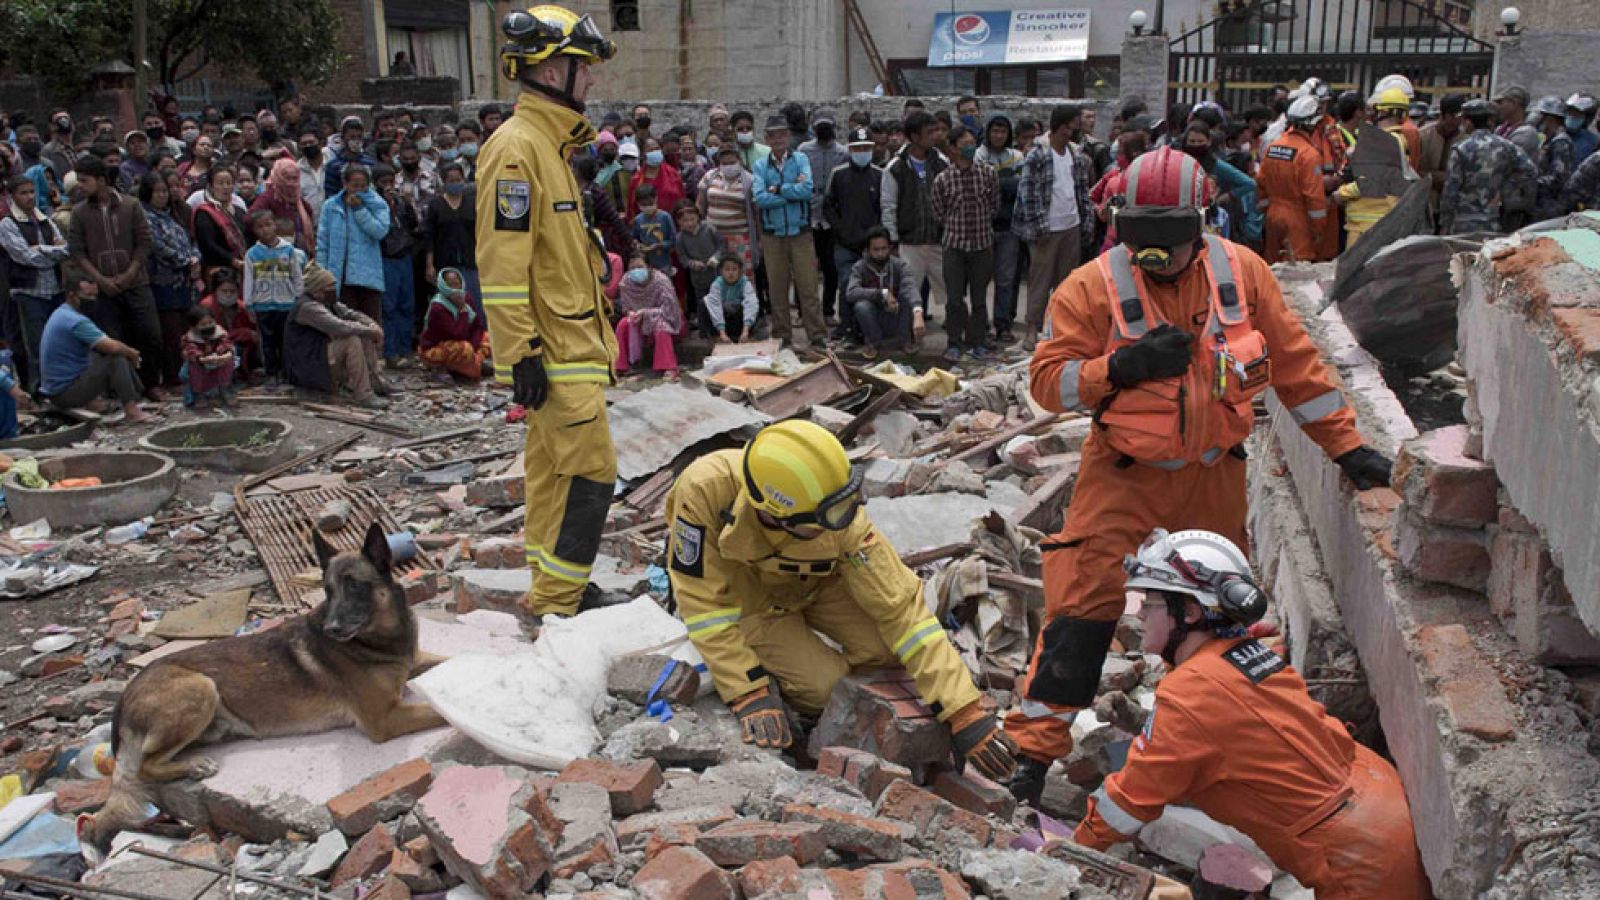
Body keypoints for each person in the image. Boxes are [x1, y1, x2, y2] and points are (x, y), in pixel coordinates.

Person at [1004, 146, 1394, 807]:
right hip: (1123, 472)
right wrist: (1118, 368)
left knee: (1215, 617)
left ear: (1201, 225)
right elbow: (1048, 383)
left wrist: (1349, 449)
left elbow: (1299, 370)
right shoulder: (1091, 287)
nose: (1155, 260)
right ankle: (1033, 755)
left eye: (1168, 245)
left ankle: (1202, 746)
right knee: (1081, 607)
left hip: (1213, 473)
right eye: (1141, 244)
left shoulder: (1243, 275)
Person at [1075, 530, 1431, 898]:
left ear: (1191, 612)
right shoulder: (1242, 654)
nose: (1140, 612)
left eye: (1150, 602)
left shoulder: (1190, 692)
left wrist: (1070, 854)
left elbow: (1127, 803)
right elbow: (1222, 736)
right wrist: (1142, 723)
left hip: (1355, 857)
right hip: (1377, 807)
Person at [665, 420, 1018, 782]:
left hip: (817, 585)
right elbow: (703, 605)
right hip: (753, 606)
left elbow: (902, 609)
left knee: (889, 648)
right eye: (829, 518)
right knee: (827, 689)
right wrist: (746, 690)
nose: (846, 520)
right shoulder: (705, 491)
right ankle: (777, 674)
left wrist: (963, 710)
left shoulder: (833, 502)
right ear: (774, 512)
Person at [476, 4, 623, 622]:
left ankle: (550, 588)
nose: (589, 80)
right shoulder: (517, 150)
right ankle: (562, 605)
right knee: (591, 476)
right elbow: (502, 267)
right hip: (554, 355)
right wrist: (520, 357)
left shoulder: (550, 147)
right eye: (581, 68)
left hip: (570, 347)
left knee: (550, 478)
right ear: (550, 70)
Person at [66, 156, 165, 398]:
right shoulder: (79, 212)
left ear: (101, 180)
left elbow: (144, 243)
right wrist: (100, 280)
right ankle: (125, 391)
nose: (81, 185)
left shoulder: (130, 205)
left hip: (136, 282)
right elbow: (77, 252)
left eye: (84, 180)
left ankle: (151, 383)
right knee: (112, 339)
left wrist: (130, 273)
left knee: (149, 333)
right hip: (102, 288)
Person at [1013, 104, 1094, 350]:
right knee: (1039, 281)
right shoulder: (1038, 155)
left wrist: (1086, 221)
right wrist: (1040, 228)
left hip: (1071, 225)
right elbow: (1028, 193)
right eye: (1073, 126)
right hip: (1046, 228)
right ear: (1062, 128)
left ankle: (1056, 330)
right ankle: (1031, 329)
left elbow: (1082, 192)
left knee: (1065, 284)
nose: (1078, 131)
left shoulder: (1076, 155)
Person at [39, 267, 155, 423]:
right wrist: (132, 353)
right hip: (63, 394)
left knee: (105, 351)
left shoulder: (62, 313)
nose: (93, 300)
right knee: (116, 358)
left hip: (59, 388)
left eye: (95, 295)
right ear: (71, 296)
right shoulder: (74, 320)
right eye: (88, 296)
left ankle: (135, 397)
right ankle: (132, 411)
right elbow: (112, 347)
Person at [753, 114, 826, 351]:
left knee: (808, 286)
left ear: (789, 135)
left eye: (782, 133)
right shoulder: (761, 165)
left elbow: (806, 190)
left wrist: (779, 189)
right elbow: (760, 198)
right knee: (777, 287)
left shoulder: (800, 159)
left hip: (800, 231)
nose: (778, 139)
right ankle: (783, 336)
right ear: (767, 138)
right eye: (773, 135)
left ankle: (817, 336)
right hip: (773, 233)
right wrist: (787, 194)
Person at [930, 124, 998, 362]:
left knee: (980, 299)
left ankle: (978, 342)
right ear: (953, 148)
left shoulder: (988, 173)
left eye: (972, 144)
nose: (970, 148)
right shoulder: (942, 179)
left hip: (982, 246)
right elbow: (939, 213)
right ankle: (954, 343)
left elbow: (993, 206)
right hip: (954, 247)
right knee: (954, 300)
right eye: (965, 145)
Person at [0, 174, 70, 391]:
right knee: (36, 346)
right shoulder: (7, 224)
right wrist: (52, 251)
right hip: (29, 292)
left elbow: (66, 250)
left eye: (32, 192)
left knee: (58, 342)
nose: (30, 197)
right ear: (12, 197)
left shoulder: (45, 220)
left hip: (55, 289)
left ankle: (63, 388)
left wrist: (40, 248)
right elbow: (24, 257)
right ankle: (40, 391)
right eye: (23, 193)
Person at [286, 261, 387, 408]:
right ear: (319, 289)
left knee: (363, 334)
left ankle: (376, 382)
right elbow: (338, 327)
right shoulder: (308, 307)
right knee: (352, 340)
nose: (333, 289)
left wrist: (371, 325)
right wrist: (370, 331)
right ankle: (363, 394)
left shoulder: (328, 302)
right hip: (308, 364)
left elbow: (351, 314)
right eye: (330, 286)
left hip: (320, 356)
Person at [883, 111, 949, 333]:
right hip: (909, 241)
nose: (935, 136)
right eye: (929, 132)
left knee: (950, 289)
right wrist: (892, 240)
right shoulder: (895, 167)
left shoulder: (941, 162)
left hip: (938, 239)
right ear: (914, 136)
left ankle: (956, 333)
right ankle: (907, 335)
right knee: (908, 291)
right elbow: (889, 207)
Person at [1330, 91, 1417, 244]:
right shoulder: (1398, 139)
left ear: (1383, 111)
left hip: (1367, 223)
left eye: (1375, 109)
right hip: (1382, 218)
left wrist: (1340, 194)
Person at [140, 174, 201, 388]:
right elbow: (158, 247)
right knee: (170, 333)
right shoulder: (146, 217)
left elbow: (190, 240)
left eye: (165, 191)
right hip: (163, 282)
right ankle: (172, 377)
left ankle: (185, 374)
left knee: (185, 329)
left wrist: (194, 257)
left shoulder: (171, 215)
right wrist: (185, 261)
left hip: (185, 282)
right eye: (158, 191)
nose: (162, 195)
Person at [823, 128, 883, 345]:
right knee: (847, 284)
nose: (862, 152)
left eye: (866, 148)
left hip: (871, 246)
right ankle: (847, 328)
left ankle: (867, 330)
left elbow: (883, 209)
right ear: (850, 150)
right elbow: (828, 206)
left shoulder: (879, 175)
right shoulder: (838, 174)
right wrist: (842, 230)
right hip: (844, 243)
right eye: (857, 149)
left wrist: (876, 239)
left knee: (870, 287)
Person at [1443, 100, 1537, 235]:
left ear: (1468, 122)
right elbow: (1530, 171)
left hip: (1463, 222)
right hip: (1493, 219)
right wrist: (1506, 191)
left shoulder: (1461, 149)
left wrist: (1445, 223)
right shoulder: (1506, 146)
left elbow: (1450, 191)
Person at [317, 164, 390, 331]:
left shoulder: (377, 204)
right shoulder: (331, 206)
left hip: (368, 275)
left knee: (371, 321)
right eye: (354, 185)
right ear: (345, 183)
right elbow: (323, 242)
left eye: (363, 186)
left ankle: (372, 356)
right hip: (340, 275)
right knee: (346, 322)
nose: (359, 190)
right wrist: (323, 274)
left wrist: (359, 209)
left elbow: (379, 231)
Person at [1258, 96, 1330, 263]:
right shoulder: (1308, 155)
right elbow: (1314, 199)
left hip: (1272, 216)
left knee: (1273, 267)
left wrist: (1268, 212)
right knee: (1297, 271)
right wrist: (1318, 230)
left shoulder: (1273, 146)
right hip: (1297, 220)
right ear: (1313, 124)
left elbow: (1261, 183)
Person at [976, 115, 1025, 346]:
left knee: (1005, 280)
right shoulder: (979, 155)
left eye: (1002, 132)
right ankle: (982, 325)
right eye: (994, 131)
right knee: (981, 279)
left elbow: (1020, 187)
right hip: (983, 226)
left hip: (1010, 228)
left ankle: (1002, 325)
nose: (998, 136)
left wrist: (998, 182)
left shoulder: (1016, 156)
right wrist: (1005, 181)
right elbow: (982, 187)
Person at [799, 110, 849, 323]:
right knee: (805, 268)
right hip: (808, 214)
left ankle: (828, 311)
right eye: (820, 127)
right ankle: (804, 313)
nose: (823, 130)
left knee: (831, 268)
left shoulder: (842, 152)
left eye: (827, 126)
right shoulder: (804, 150)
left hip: (831, 217)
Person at [242, 208, 303, 380]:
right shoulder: (252, 254)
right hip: (262, 304)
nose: (265, 230)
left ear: (275, 225)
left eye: (268, 225)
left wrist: (299, 297)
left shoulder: (288, 250)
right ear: (254, 231)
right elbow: (249, 280)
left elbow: (296, 275)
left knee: (285, 340)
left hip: (286, 303)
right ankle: (271, 373)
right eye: (260, 227)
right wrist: (249, 304)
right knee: (267, 342)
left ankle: (286, 373)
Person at [1184, 123, 1263, 249]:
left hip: (1210, 220)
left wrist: (1226, 197)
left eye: (1200, 141)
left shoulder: (1216, 165)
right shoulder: (1180, 162)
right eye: (1192, 141)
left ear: (1208, 142)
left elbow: (1249, 184)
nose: (1196, 145)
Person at [372, 164, 419, 365]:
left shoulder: (401, 202)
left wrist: (407, 204)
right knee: (389, 306)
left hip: (404, 256)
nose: (389, 186)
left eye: (391, 182)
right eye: (384, 183)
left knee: (406, 304)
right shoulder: (373, 203)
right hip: (385, 257)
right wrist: (385, 204)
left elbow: (414, 224)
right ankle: (391, 351)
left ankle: (405, 347)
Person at [844, 227, 915, 360]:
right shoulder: (859, 267)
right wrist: (881, 293)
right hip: (873, 318)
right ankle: (873, 344)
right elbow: (851, 292)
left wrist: (918, 311)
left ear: (890, 248)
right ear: (867, 250)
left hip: (895, 315)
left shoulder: (900, 265)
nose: (881, 253)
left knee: (909, 298)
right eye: (876, 250)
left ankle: (905, 341)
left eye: (884, 248)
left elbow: (911, 288)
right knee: (861, 306)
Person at [419, 162, 479, 317]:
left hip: (470, 262)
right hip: (445, 264)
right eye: (451, 181)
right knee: (448, 308)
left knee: (472, 303)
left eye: (458, 180)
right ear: (443, 182)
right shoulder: (435, 205)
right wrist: (429, 265)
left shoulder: (472, 203)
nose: (456, 184)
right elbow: (429, 236)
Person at [614, 250, 682, 380]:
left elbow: (670, 310)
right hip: (638, 319)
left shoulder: (661, 282)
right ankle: (621, 367)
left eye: (640, 267)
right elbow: (625, 306)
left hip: (665, 318)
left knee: (661, 327)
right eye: (632, 268)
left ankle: (669, 367)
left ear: (649, 267)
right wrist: (631, 313)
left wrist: (646, 313)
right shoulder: (626, 282)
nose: (635, 271)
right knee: (623, 324)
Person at [419, 267, 492, 381]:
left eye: (457, 284)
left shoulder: (466, 297)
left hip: (463, 342)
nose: (455, 289)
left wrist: (474, 346)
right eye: (450, 285)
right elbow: (457, 334)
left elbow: (477, 325)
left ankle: (467, 365)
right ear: (443, 286)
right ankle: (443, 368)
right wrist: (462, 311)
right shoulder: (438, 307)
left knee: (490, 338)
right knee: (463, 348)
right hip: (435, 348)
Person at [697, 145, 760, 277]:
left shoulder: (750, 180)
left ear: (739, 161)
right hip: (713, 238)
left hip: (740, 239)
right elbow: (700, 204)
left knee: (741, 277)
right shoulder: (709, 176)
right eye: (724, 163)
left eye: (732, 163)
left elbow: (757, 213)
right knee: (716, 277)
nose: (728, 166)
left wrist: (760, 239)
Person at [200, 269, 261, 380]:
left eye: (232, 291)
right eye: (224, 291)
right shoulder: (207, 306)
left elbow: (253, 333)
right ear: (216, 291)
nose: (228, 294)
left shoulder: (242, 308)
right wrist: (240, 333)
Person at [251, 158, 317, 258]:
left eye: (294, 178)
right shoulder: (268, 198)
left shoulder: (301, 203)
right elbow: (250, 218)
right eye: (287, 178)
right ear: (278, 177)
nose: (290, 183)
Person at [192, 167, 248, 277]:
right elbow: (208, 244)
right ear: (211, 187)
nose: (225, 187)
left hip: (244, 268)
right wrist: (233, 261)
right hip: (219, 272)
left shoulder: (239, 211)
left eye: (229, 183)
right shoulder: (204, 213)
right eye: (220, 183)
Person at [178, 305, 237, 408]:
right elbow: (190, 351)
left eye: (210, 323)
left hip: (217, 363)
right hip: (199, 366)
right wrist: (202, 359)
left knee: (229, 361)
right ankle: (199, 393)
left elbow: (226, 344)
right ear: (193, 326)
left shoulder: (220, 333)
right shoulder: (189, 338)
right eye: (203, 324)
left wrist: (226, 355)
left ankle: (225, 389)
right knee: (193, 366)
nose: (208, 326)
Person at [1418, 94, 1467, 217]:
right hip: (1425, 202)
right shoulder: (1423, 135)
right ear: (1446, 115)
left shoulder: (1465, 140)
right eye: (1457, 116)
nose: (1460, 121)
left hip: (1453, 206)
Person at [1532, 96, 1576, 222]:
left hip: (1550, 207)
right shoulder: (1549, 140)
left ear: (1550, 118)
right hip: (1541, 203)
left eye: (1542, 116)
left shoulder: (1560, 142)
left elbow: (1559, 177)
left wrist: (1532, 182)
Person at [702, 253, 757, 343]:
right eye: (727, 270)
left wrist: (745, 330)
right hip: (722, 320)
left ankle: (742, 335)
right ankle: (713, 336)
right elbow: (715, 306)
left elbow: (751, 304)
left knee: (754, 304)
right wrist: (722, 333)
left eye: (734, 269)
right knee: (704, 302)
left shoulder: (745, 283)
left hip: (739, 319)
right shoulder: (717, 284)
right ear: (721, 271)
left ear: (740, 271)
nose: (730, 273)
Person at [626, 136, 684, 221]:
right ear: (643, 154)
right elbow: (631, 209)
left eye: (657, 149)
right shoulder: (637, 180)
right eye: (650, 150)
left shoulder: (673, 174)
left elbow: (682, 201)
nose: (655, 152)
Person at [674, 202, 720, 305]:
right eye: (684, 221)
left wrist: (716, 257)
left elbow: (721, 245)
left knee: (720, 300)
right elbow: (683, 258)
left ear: (698, 217)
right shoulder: (680, 239)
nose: (689, 223)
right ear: (678, 222)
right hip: (699, 279)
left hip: (716, 273)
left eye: (692, 219)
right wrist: (692, 263)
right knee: (703, 303)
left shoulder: (709, 228)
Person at [1494, 85, 1542, 162]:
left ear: (1514, 103)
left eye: (1501, 102)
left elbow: (1505, 159)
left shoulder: (1526, 133)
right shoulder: (1501, 129)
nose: (1498, 107)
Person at [297, 132, 327, 213]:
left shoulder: (332, 165)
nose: (308, 146)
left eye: (311, 142)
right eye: (304, 144)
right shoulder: (296, 171)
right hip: (310, 222)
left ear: (320, 143)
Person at [1565, 94, 1599, 164]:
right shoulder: (1553, 134)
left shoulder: (1593, 142)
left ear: (1587, 118)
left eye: (1577, 114)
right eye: (1570, 112)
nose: (1572, 116)